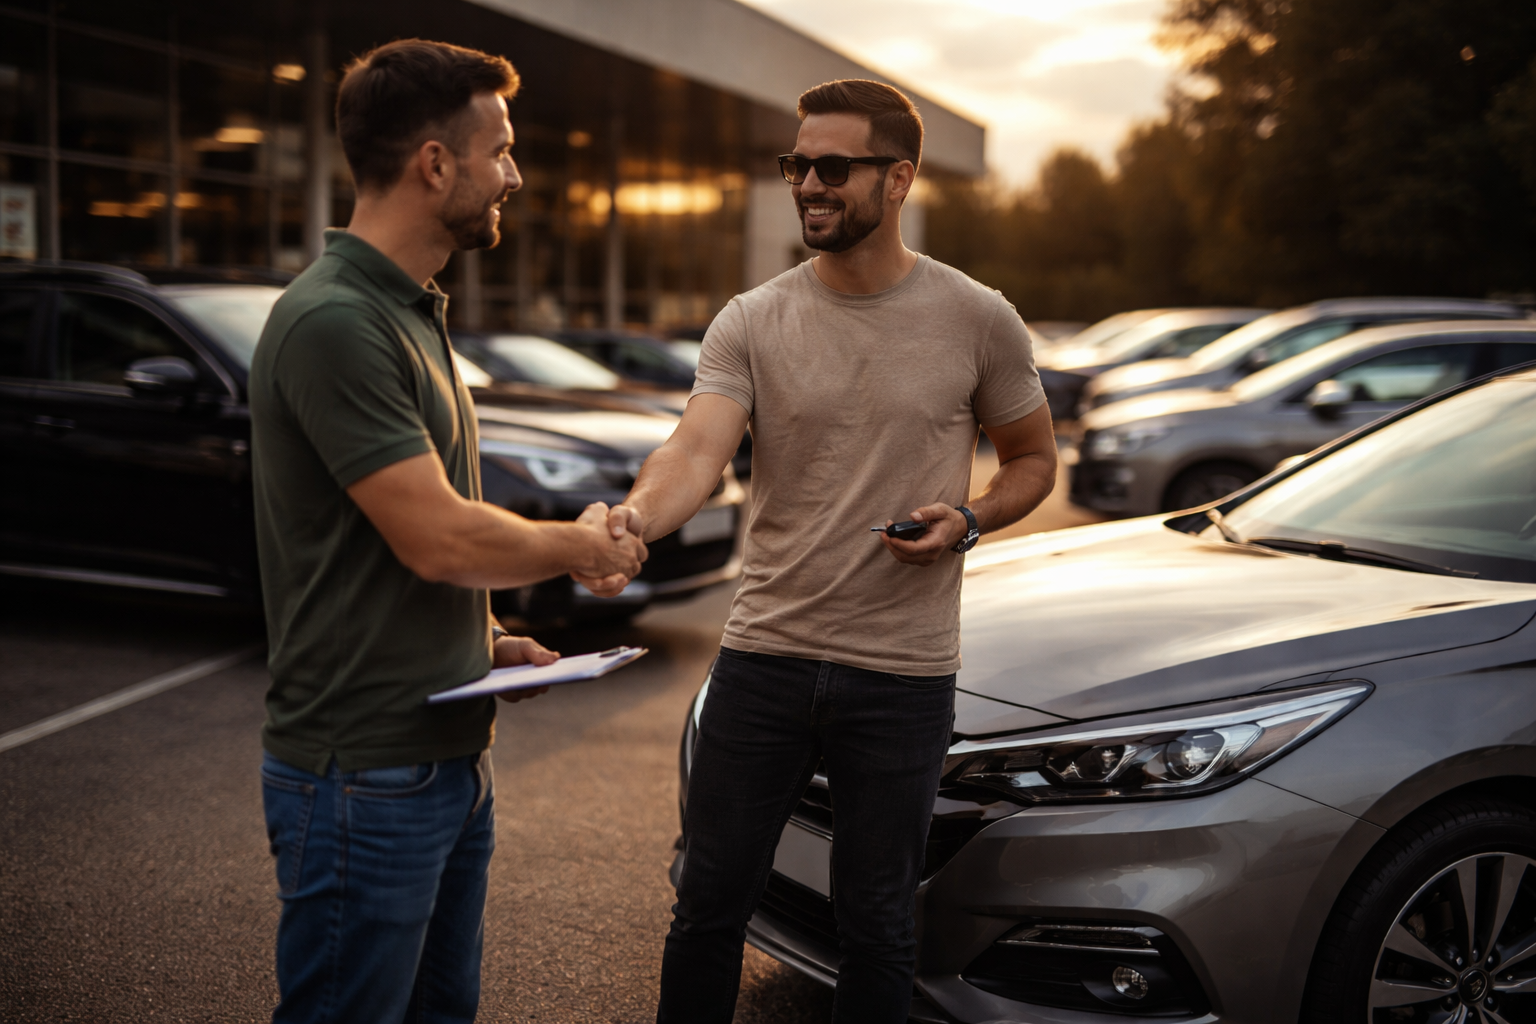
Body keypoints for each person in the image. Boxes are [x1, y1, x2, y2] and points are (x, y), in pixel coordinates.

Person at [611, 79, 1058, 1022]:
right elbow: (696, 448)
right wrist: (636, 520)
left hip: (900, 676)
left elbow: (1033, 461)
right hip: (763, 659)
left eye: (832, 166)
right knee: (707, 909)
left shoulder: (979, 318)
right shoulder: (752, 319)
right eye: (795, 164)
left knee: (879, 925)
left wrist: (968, 518)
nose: (808, 183)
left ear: (898, 180)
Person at [248, 39, 645, 1024]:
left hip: (445, 755)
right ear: (435, 163)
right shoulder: (335, 322)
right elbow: (438, 537)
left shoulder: (413, 312)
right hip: (364, 774)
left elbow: (394, 550)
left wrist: (484, 636)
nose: (514, 173)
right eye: (500, 150)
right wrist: (579, 546)